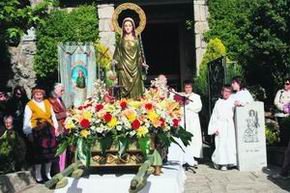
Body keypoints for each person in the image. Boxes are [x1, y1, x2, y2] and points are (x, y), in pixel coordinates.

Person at [23, 86, 58, 183]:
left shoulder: (47, 103)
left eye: (40, 94)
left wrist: (56, 128)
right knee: (39, 155)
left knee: (50, 154)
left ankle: (48, 174)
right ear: (33, 95)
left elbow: (53, 116)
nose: (39, 96)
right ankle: (38, 175)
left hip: (49, 131)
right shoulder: (29, 105)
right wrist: (28, 132)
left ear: (43, 95)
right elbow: (26, 121)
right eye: (37, 94)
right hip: (38, 132)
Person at [113, 17, 147, 99]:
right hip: (123, 69)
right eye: (126, 26)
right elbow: (117, 54)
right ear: (123, 27)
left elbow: (139, 55)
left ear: (133, 27)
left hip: (135, 69)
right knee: (123, 89)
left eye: (130, 25)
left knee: (136, 91)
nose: (128, 27)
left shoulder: (136, 40)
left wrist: (142, 64)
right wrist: (115, 61)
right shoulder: (121, 40)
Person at [208, 85, 236, 171]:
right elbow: (214, 116)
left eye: (228, 92)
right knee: (221, 144)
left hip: (229, 125)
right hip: (220, 125)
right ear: (222, 92)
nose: (226, 93)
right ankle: (222, 163)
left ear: (230, 93)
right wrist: (214, 128)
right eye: (225, 91)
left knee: (230, 144)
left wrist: (240, 103)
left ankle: (231, 162)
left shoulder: (233, 101)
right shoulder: (218, 103)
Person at [179, 80, 203, 168]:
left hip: (192, 120)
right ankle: (184, 157)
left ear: (192, 88)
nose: (188, 89)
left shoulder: (196, 96)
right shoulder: (181, 96)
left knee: (193, 138)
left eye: (189, 87)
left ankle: (193, 157)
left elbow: (198, 107)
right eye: (186, 87)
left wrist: (188, 104)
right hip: (183, 120)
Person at [271, 77, 290, 179]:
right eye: (285, 83)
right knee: (284, 135)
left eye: (287, 84)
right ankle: (284, 171)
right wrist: (283, 107)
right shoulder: (281, 92)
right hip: (282, 115)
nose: (285, 85)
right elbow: (276, 102)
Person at [49, 83, 68, 172]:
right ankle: (58, 170)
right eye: (61, 90)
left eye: (63, 90)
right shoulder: (51, 101)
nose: (63, 92)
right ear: (55, 90)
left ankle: (63, 168)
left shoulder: (59, 99)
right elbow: (53, 116)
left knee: (63, 149)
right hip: (58, 128)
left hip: (63, 127)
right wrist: (65, 114)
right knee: (59, 150)